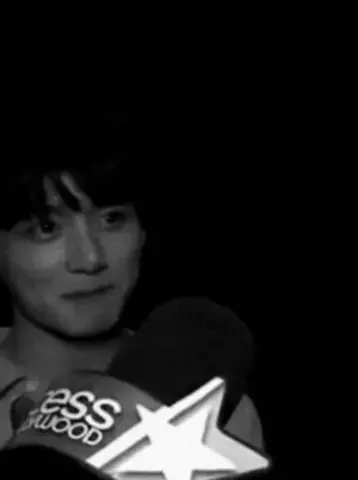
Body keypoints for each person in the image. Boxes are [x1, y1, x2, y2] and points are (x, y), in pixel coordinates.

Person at [0, 106, 264, 450]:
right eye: (47, 228)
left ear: (143, 232)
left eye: (112, 219)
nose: (90, 259)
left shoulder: (211, 408)